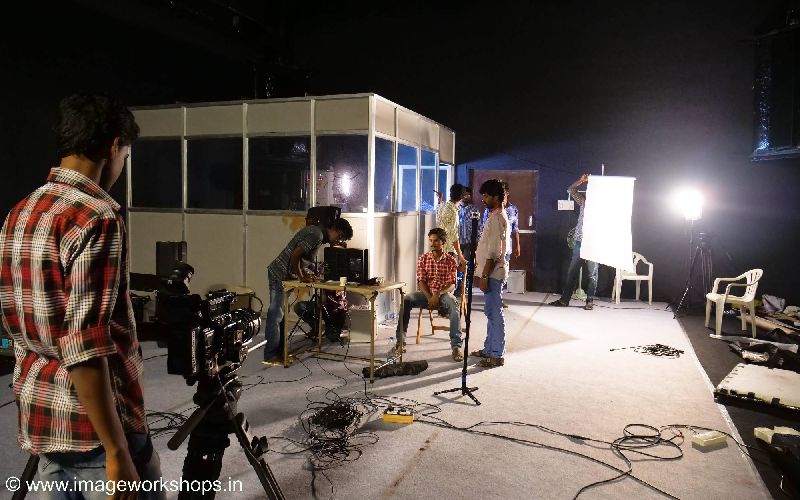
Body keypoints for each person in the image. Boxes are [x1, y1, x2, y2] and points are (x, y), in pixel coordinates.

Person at [0, 95, 164, 498]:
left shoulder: (21, 211)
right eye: (125, 156)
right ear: (114, 146)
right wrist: (117, 450)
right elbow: (83, 345)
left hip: (42, 421)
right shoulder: (96, 216)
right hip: (96, 431)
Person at [262, 217, 353, 364]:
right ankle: (270, 355)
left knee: (281, 316)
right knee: (276, 315)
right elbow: (295, 255)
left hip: (284, 274)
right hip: (279, 274)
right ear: (336, 229)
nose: (338, 241)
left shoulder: (318, 234)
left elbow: (302, 259)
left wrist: (307, 272)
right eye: (340, 237)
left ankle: (280, 352)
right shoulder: (317, 235)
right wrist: (301, 276)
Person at [392, 228, 463, 361]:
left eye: (436, 241)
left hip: (444, 294)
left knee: (454, 304)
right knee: (407, 299)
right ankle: (400, 343)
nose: (432, 244)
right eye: (431, 240)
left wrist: (438, 294)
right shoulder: (423, 259)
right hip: (426, 294)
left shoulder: (451, 260)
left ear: (443, 242)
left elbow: (452, 284)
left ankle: (456, 347)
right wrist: (430, 297)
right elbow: (421, 281)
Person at [470, 179, 509, 368]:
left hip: (493, 273)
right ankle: (489, 349)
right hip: (491, 272)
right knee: (491, 313)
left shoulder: (496, 218)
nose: (483, 199)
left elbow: (494, 252)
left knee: (495, 313)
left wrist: (484, 276)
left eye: (486, 196)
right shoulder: (495, 215)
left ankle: (496, 355)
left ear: (496, 197)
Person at [549, 173, 598, 310]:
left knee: (592, 274)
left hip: (593, 244)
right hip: (579, 242)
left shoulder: (603, 207)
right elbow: (571, 190)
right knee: (572, 273)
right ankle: (565, 300)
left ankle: (589, 301)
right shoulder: (584, 201)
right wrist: (581, 181)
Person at [435, 183, 468, 268]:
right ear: (462, 197)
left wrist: (440, 199)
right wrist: (461, 257)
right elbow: (454, 236)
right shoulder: (453, 211)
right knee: (449, 276)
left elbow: (438, 207)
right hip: (449, 251)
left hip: (439, 249)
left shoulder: (443, 206)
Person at [456, 187, 478, 295]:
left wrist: (476, 242)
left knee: (466, 265)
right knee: (456, 265)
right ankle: (457, 287)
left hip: (469, 242)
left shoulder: (474, 209)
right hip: (457, 242)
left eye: (468, 195)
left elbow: (478, 226)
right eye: (464, 195)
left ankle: (465, 287)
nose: (466, 197)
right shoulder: (456, 208)